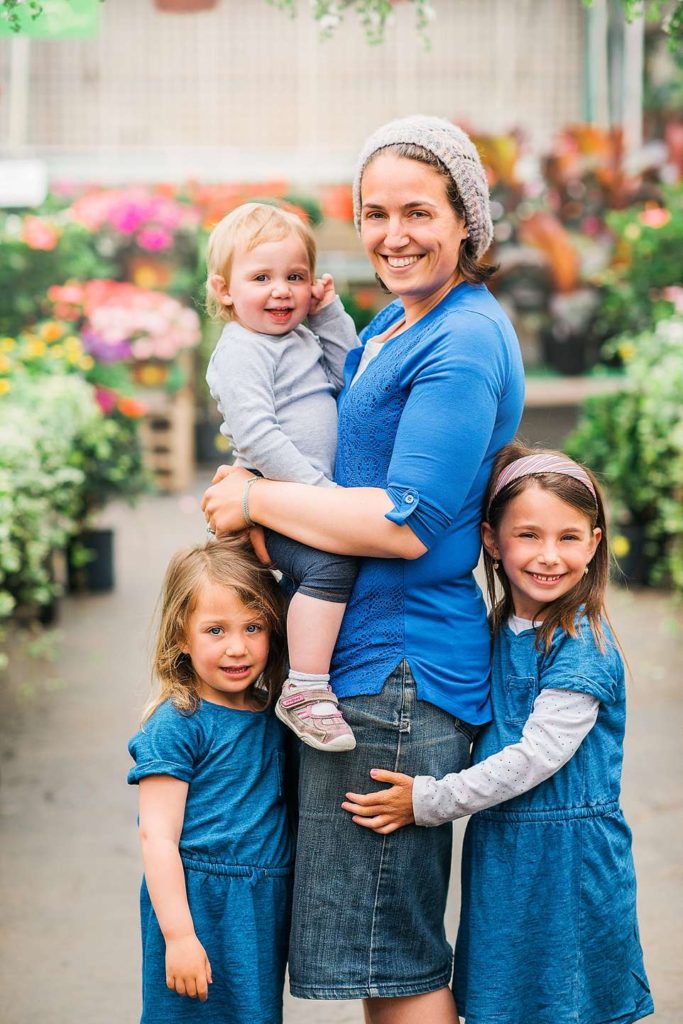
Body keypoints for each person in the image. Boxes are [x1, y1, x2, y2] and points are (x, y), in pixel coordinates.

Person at [201, 115, 525, 1023]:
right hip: (365, 661)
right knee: (378, 951)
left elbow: (405, 523)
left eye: (418, 211)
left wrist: (258, 502)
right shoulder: (397, 319)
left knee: (392, 959)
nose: (393, 234)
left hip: (398, 673)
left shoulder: (458, 341)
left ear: (466, 219)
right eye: (373, 212)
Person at [344, 442, 654, 1024]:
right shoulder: (499, 628)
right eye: (528, 535)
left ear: (594, 542)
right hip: (506, 858)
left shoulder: (581, 644)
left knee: (568, 1003)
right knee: (506, 1003)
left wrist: (429, 800)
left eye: (568, 537)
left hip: (570, 863)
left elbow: (534, 756)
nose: (549, 555)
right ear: (491, 540)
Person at [205, 202, 360, 752]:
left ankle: (300, 671)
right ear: (225, 290)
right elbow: (258, 436)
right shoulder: (242, 350)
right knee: (332, 562)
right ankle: (306, 690)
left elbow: (352, 376)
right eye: (262, 278)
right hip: (288, 500)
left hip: (298, 500)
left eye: (295, 277)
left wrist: (329, 314)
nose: (281, 291)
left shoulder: (299, 337)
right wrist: (321, 499)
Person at [127, 537, 293, 1024]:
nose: (237, 647)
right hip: (200, 901)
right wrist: (178, 936)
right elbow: (156, 836)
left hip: (261, 903)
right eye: (215, 630)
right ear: (182, 635)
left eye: (253, 627)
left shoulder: (275, 713)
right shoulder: (178, 723)